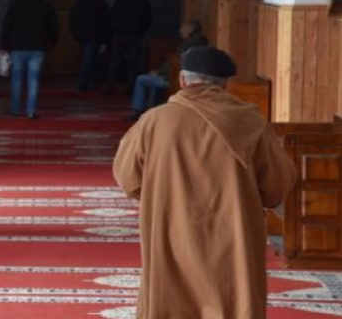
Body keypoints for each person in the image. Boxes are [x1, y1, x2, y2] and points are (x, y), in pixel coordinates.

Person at [112, 46, 297, 318]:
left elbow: (127, 177)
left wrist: (160, 193)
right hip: (233, 234)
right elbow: (277, 185)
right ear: (224, 84)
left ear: (182, 80)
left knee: (172, 298)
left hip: (171, 228)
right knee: (233, 298)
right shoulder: (250, 123)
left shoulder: (154, 121)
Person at [0, 0, 58, 119]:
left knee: (16, 79)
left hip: (17, 47)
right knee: (33, 79)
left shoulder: (16, 5)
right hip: (37, 47)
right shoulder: (45, 6)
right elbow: (53, 27)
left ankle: (15, 109)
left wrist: (4, 45)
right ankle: (31, 111)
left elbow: (7, 26)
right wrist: (52, 42)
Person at [129, 19, 208, 118]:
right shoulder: (201, 43)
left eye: (183, 27)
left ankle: (138, 110)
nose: (180, 30)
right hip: (187, 77)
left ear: (191, 29)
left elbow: (173, 64)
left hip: (174, 78)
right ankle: (150, 108)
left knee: (141, 79)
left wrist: (158, 72)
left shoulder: (186, 46)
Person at [104, 0, 152, 94]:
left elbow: (112, 16)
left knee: (115, 61)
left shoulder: (121, 0)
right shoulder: (144, 3)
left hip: (118, 34)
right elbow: (147, 22)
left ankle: (110, 85)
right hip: (134, 36)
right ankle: (130, 87)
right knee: (132, 63)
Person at [69, 0, 112, 91]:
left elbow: (72, 18)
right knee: (90, 59)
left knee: (88, 58)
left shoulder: (80, 2)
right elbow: (106, 22)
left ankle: (87, 82)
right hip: (94, 36)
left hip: (81, 35)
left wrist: (74, 32)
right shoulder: (102, 4)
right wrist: (106, 39)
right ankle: (83, 83)